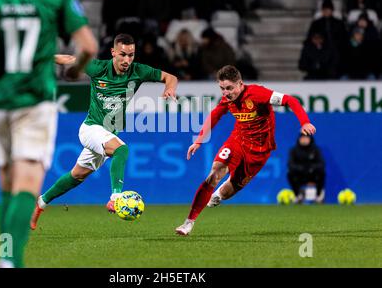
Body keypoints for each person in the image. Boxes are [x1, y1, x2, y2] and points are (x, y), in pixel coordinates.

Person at [0, 0, 98, 267]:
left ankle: (6, 255)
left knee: (6, 185)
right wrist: (74, 71)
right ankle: (9, 260)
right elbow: (88, 46)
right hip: (35, 98)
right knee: (27, 183)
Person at [30, 33, 178, 230]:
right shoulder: (98, 68)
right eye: (123, 55)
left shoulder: (139, 71)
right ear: (113, 52)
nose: (127, 60)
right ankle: (116, 197)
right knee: (122, 150)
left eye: (131, 55)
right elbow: (70, 59)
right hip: (90, 128)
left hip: (106, 134)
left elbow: (170, 77)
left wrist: (169, 88)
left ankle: (40, 203)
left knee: (77, 176)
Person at [175, 65, 316, 236]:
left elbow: (290, 100)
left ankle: (218, 195)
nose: (225, 93)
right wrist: (198, 141)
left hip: (259, 150)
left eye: (229, 88)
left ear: (240, 84)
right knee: (215, 172)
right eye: (222, 88)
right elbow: (215, 115)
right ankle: (188, 223)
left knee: (228, 191)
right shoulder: (227, 99)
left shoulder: (258, 94)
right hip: (237, 141)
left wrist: (305, 122)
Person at [287, 134, 325, 204]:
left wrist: (311, 168)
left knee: (321, 173)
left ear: (310, 139)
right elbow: (290, 165)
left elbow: (321, 164)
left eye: (306, 138)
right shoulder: (294, 150)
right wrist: (301, 169)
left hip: (312, 174)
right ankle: (298, 195)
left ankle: (319, 195)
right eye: (302, 138)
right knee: (290, 174)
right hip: (300, 175)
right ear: (299, 139)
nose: (304, 140)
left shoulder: (316, 150)